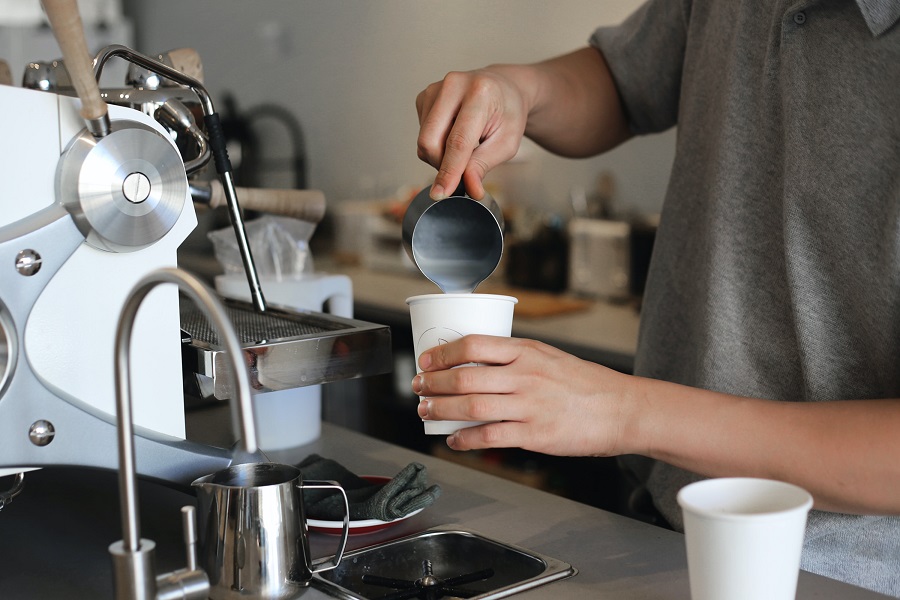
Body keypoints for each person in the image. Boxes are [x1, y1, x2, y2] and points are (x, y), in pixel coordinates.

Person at [412, 0, 900, 596]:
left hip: (841, 569)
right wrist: (522, 90)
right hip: (663, 521)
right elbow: (622, 82)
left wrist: (623, 411)